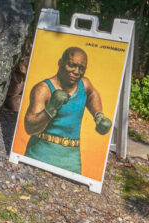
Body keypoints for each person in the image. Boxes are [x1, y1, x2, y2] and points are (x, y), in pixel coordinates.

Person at [23, 46, 112, 174]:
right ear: (60, 63)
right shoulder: (43, 89)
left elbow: (92, 95)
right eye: (72, 65)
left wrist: (99, 116)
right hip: (40, 155)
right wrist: (51, 107)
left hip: (71, 161)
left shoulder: (84, 84)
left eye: (81, 68)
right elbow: (29, 128)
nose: (76, 71)